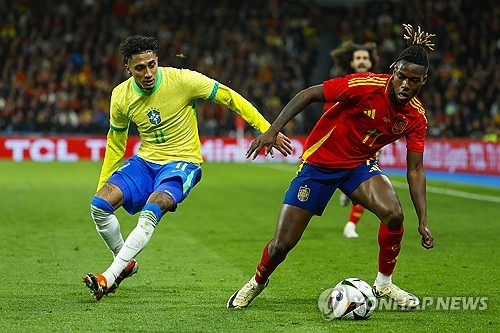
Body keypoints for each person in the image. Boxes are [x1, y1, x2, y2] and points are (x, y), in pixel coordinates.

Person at [227, 24, 435, 310]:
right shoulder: (364, 86)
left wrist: (422, 220)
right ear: (393, 70)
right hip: (320, 165)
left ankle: (384, 284)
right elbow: (307, 95)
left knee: (394, 215)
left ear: (423, 81)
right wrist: (272, 130)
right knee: (281, 245)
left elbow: (415, 170)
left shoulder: (416, 117)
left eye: (414, 80)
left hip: (359, 166)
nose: (405, 85)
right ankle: (258, 281)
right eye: (401, 77)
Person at [83, 35, 293, 300]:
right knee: (98, 206)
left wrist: (267, 128)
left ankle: (108, 277)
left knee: (152, 208)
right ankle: (125, 263)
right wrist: (105, 180)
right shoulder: (121, 96)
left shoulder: (183, 80)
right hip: (146, 162)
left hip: (182, 162)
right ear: (128, 68)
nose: (148, 73)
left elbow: (229, 97)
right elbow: (116, 141)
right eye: (140, 68)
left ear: (157, 61)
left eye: (152, 64)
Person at [328, 40, 379, 238]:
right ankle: (345, 189)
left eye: (365, 58)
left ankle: (351, 225)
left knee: (367, 182)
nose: (361, 61)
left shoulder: (379, 84)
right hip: (343, 142)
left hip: (368, 142)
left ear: (371, 62)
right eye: (358, 58)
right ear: (351, 63)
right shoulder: (345, 83)